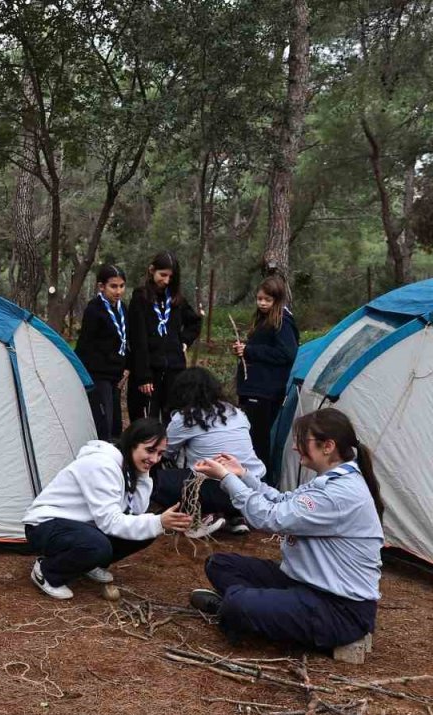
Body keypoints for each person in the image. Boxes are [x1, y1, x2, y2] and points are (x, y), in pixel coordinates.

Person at [188, 408, 383, 651]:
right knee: (219, 564)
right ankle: (256, 610)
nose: (294, 447)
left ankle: (238, 609)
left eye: (302, 441)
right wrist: (244, 475)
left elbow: (270, 517)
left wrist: (227, 479)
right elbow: (282, 501)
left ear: (328, 446)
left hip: (339, 609)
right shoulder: (330, 480)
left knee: (237, 604)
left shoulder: (338, 494)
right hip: (304, 582)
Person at [22, 418, 194, 599]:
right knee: (98, 545)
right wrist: (158, 521)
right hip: (44, 525)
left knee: (146, 530)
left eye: (160, 454)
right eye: (150, 450)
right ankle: (47, 571)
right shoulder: (102, 465)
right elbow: (110, 522)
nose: (154, 459)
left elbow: (136, 510)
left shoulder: (128, 466)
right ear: (132, 444)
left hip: (82, 525)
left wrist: (144, 475)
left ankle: (89, 564)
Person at [153, 367, 266, 536]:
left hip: (219, 489)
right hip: (255, 485)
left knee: (158, 480)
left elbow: (164, 452)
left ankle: (203, 515)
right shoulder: (237, 412)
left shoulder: (185, 417)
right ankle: (236, 516)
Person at [127, 251, 202, 423]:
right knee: (148, 423)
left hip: (174, 371)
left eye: (170, 277)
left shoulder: (176, 299)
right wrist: (143, 376)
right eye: (163, 275)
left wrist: (183, 341)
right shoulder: (140, 298)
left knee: (173, 421)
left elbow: (195, 322)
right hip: (150, 372)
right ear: (151, 270)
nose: (166, 281)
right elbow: (138, 340)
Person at [234, 275, 299, 473]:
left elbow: (286, 354)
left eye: (267, 300)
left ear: (277, 300)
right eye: (259, 298)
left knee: (259, 442)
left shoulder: (283, 321)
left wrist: (250, 351)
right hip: (253, 388)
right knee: (251, 439)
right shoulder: (263, 319)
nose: (262, 303)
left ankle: (262, 482)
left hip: (265, 391)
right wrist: (244, 350)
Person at [75, 264, 130, 440]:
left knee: (115, 423)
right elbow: (85, 344)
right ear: (101, 286)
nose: (118, 291)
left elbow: (126, 340)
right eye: (113, 286)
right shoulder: (94, 309)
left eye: (121, 286)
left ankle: (115, 452)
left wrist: (126, 368)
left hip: (117, 374)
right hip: (99, 374)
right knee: (104, 420)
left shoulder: (123, 309)